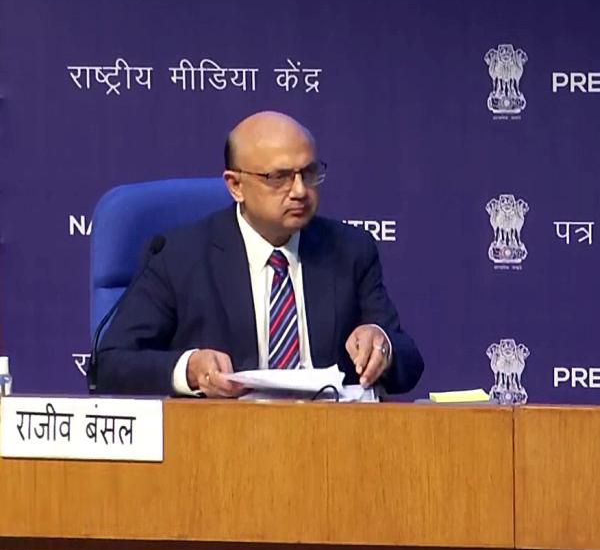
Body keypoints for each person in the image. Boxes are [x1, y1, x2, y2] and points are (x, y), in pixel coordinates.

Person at [95, 111, 423, 397]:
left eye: (308, 173)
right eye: (279, 177)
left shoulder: (349, 250)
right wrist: (190, 369)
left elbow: (409, 362)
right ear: (235, 185)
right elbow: (110, 364)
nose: (300, 191)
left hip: (328, 435)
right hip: (220, 436)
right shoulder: (179, 255)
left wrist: (383, 345)